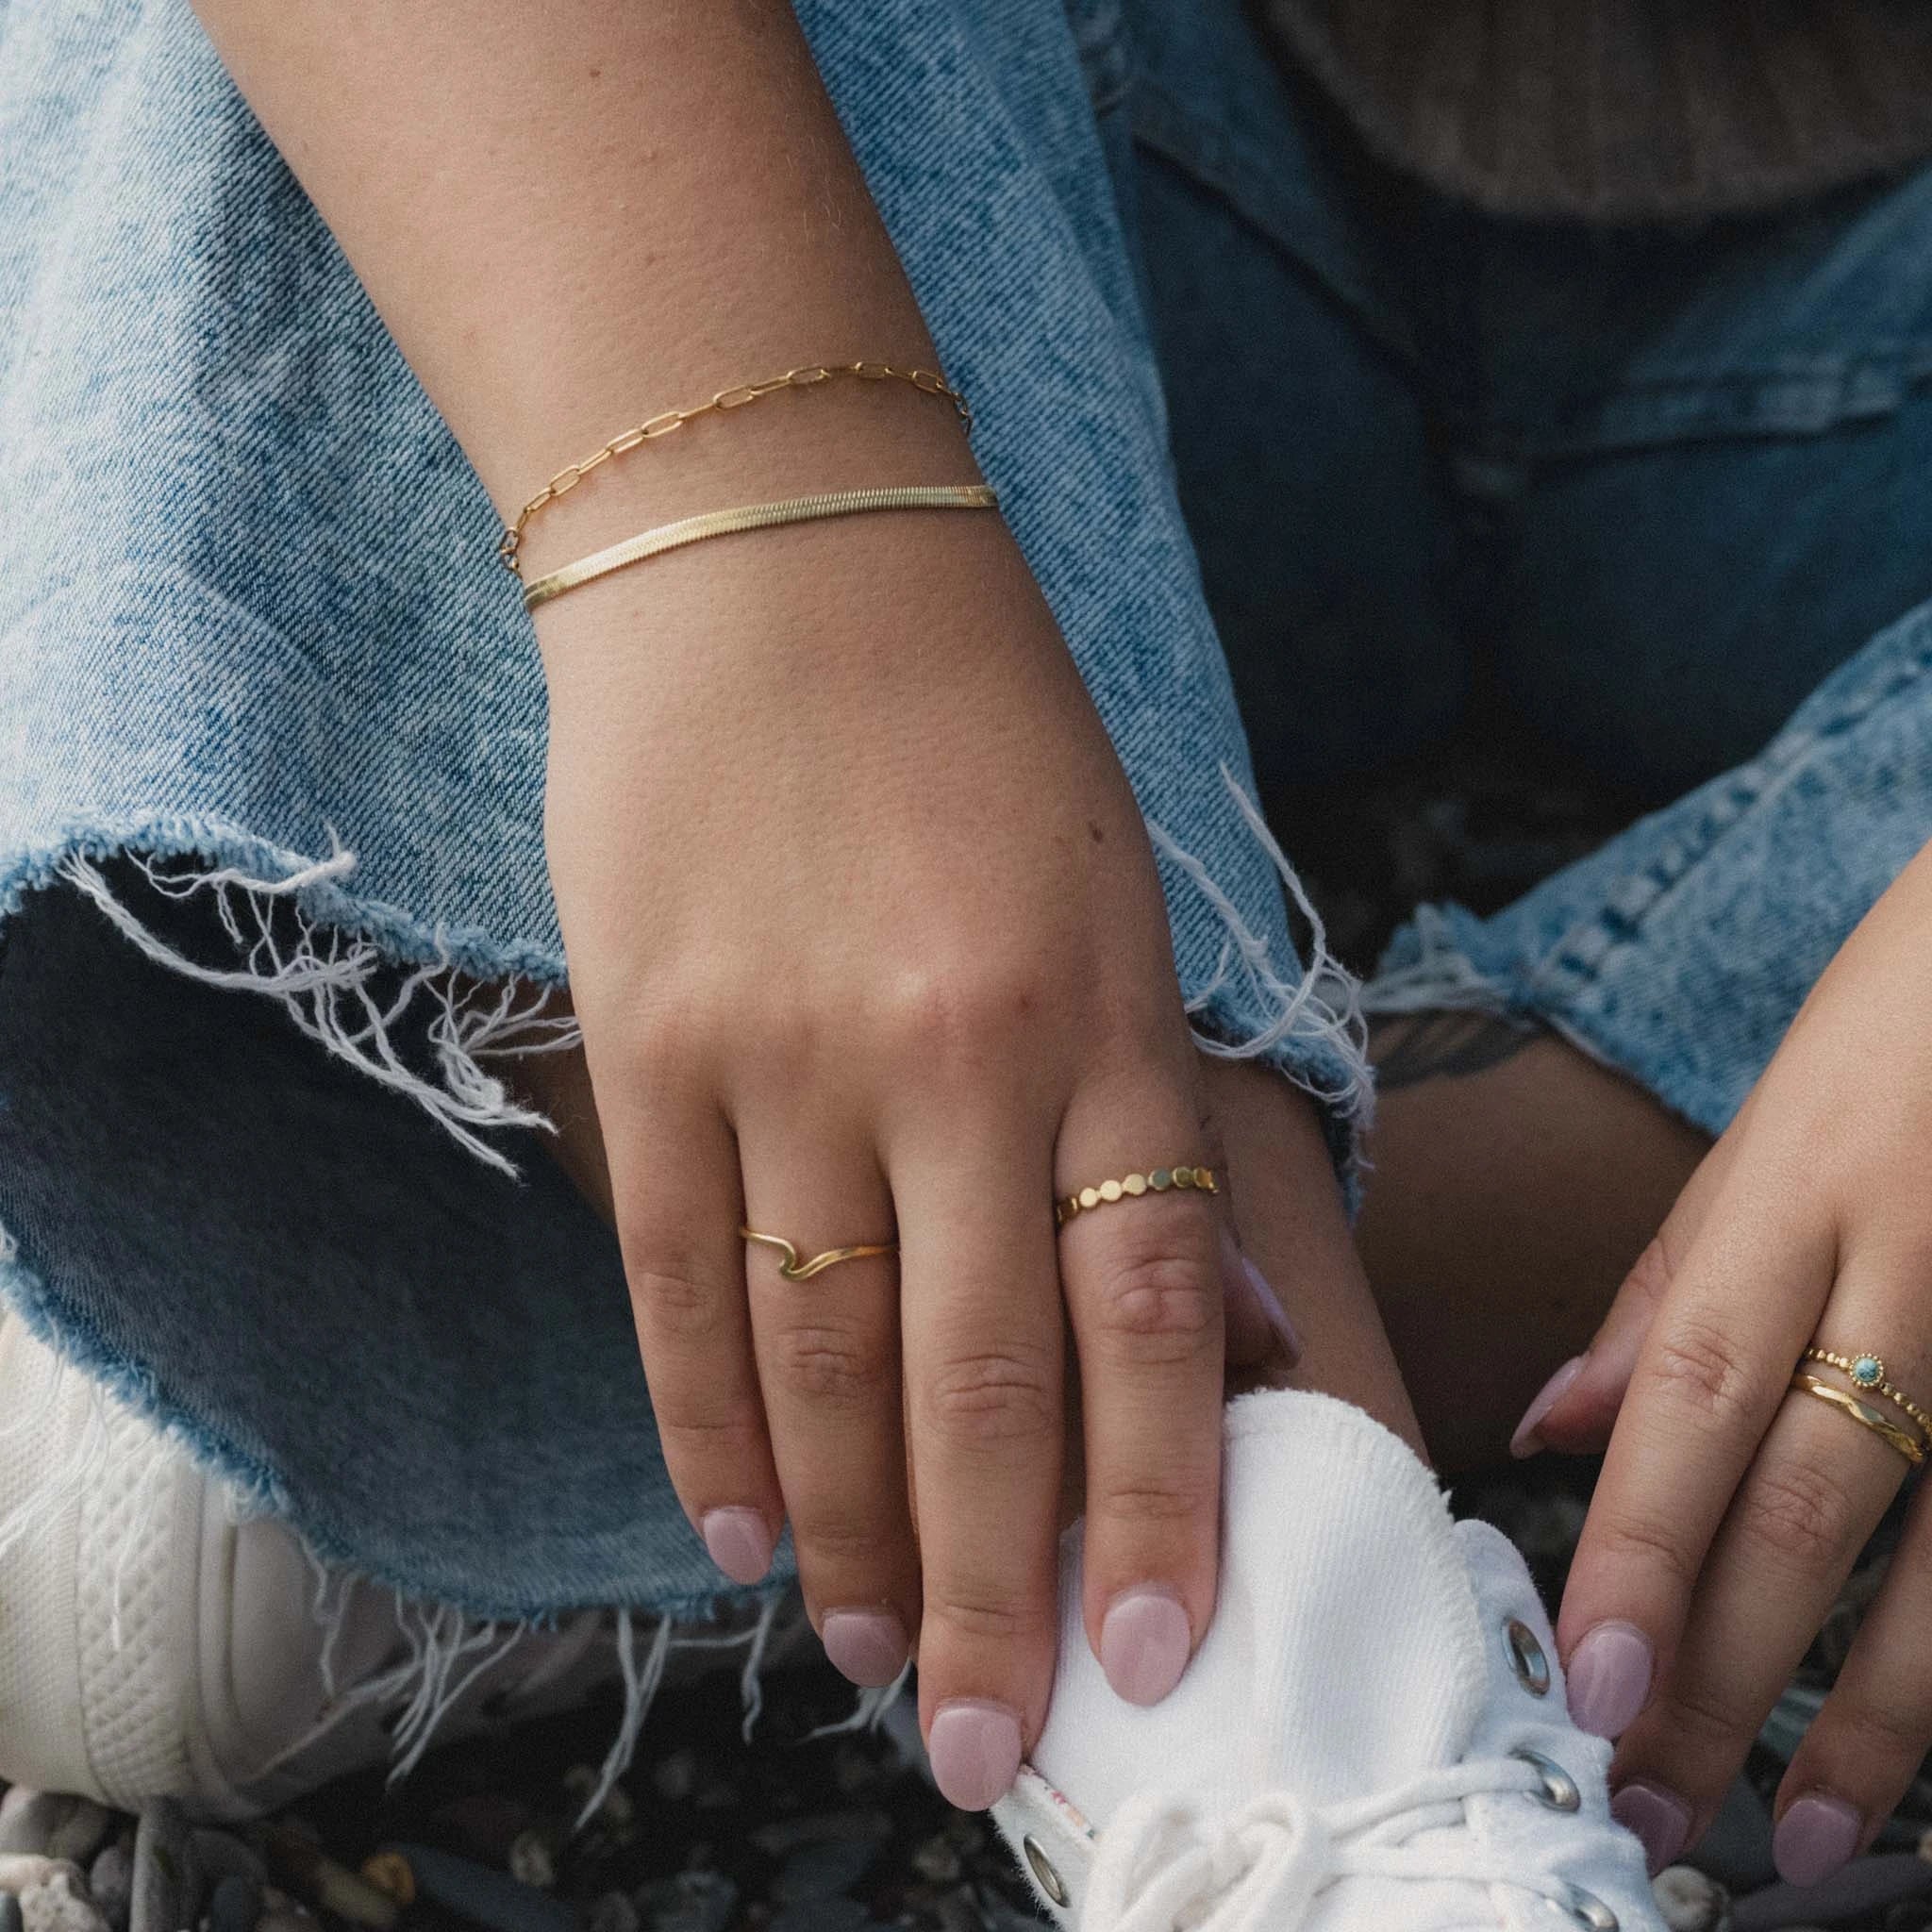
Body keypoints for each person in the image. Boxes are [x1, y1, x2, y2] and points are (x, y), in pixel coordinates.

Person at [0, 0, 1925, 1916]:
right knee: (456, 128)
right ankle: (1281, 1696)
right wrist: (776, 559)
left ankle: (724, 1360)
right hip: (1056, 114)